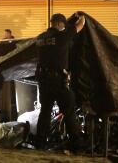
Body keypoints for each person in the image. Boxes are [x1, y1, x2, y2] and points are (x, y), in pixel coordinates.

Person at [35, 13, 85, 151]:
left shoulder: (40, 38)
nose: (64, 27)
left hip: (43, 80)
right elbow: (80, 25)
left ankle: (40, 142)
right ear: (58, 24)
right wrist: (82, 15)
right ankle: (76, 143)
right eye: (62, 24)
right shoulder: (62, 36)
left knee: (45, 111)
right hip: (57, 80)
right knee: (69, 110)